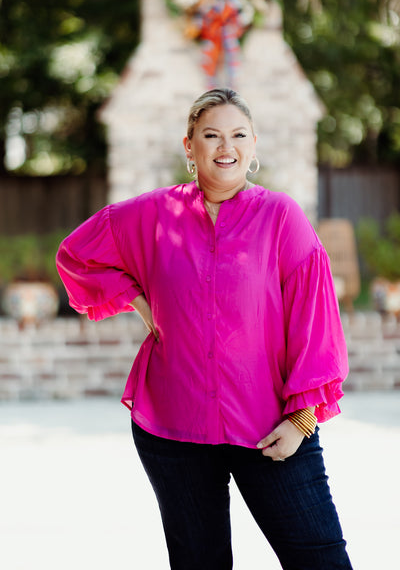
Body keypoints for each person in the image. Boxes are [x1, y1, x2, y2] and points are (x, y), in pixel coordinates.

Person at [56, 88, 353, 570]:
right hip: (175, 429)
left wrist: (301, 420)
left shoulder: (281, 218)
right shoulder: (152, 215)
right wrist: (138, 300)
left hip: (272, 429)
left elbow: (315, 323)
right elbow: (76, 254)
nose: (225, 147)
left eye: (237, 135)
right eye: (211, 135)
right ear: (189, 146)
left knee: (318, 558)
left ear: (253, 145)